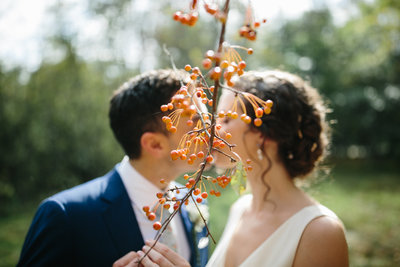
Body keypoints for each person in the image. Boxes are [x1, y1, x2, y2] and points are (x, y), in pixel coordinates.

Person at [124, 70, 349, 267]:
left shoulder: (321, 232)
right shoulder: (240, 210)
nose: (210, 129)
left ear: (263, 135)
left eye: (226, 120)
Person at [17, 69, 209, 267]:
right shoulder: (66, 216)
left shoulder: (194, 203)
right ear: (154, 144)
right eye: (198, 122)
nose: (212, 130)